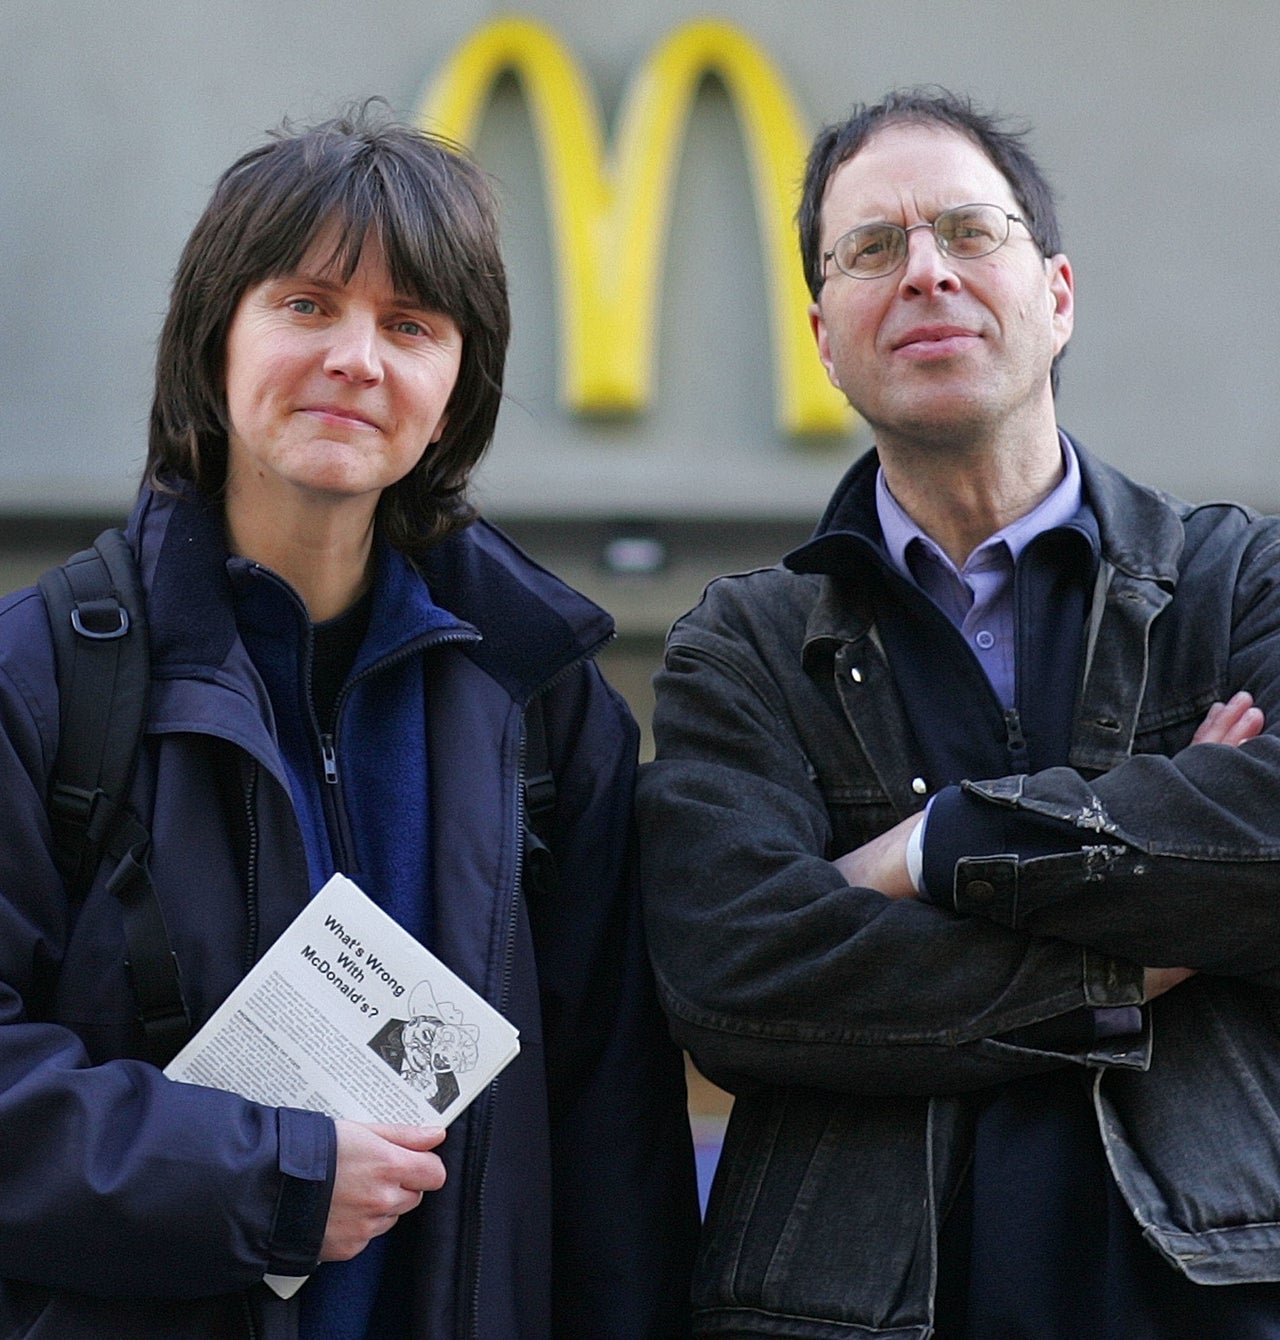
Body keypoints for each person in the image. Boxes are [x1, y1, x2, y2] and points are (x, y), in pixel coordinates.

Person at [0, 105, 697, 1339]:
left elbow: (612, 1134)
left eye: (410, 325)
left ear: (454, 388)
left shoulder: (544, 698)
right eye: (306, 304)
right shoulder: (46, 677)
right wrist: (271, 1177)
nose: (356, 358)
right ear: (214, 339)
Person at [636, 86, 1280, 1339]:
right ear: (823, 334)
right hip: (846, 1312)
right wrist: (1150, 938)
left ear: (1055, 294)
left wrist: (923, 855)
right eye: (872, 248)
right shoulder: (743, 647)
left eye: (967, 232)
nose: (923, 272)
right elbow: (734, 976)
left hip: (1209, 1296)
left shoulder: (1234, 581)